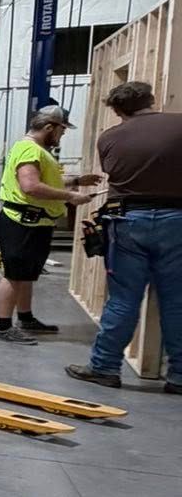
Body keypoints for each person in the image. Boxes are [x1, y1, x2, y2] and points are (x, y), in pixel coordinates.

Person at [65, 79, 182, 391]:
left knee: (123, 298)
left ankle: (104, 367)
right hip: (177, 220)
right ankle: (179, 375)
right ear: (151, 99)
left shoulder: (110, 138)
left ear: (118, 110)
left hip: (127, 220)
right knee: (176, 299)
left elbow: (114, 173)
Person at [0, 104, 97, 343]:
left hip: (33, 222)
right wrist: (71, 196)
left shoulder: (33, 149)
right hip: (22, 223)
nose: (62, 135)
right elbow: (31, 186)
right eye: (61, 130)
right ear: (49, 127)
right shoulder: (30, 150)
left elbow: (46, 179)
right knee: (14, 275)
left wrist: (77, 180)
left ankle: (25, 318)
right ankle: (3, 328)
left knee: (26, 274)